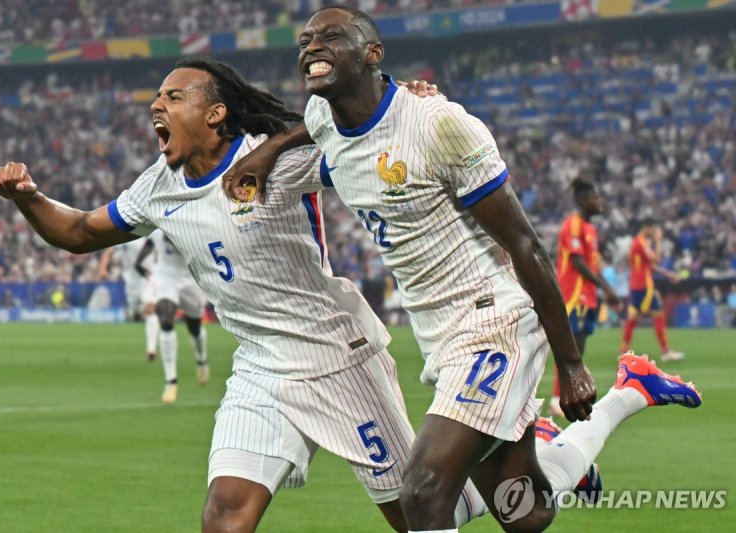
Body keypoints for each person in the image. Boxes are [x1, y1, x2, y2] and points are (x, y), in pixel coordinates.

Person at [222, 6, 702, 531]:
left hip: (493, 320)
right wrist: (269, 150)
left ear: (372, 54)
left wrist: (570, 364)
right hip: (439, 336)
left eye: (331, 37)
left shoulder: (438, 125)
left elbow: (526, 245)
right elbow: (310, 131)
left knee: (424, 491)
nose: (311, 47)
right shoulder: (321, 118)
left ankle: (575, 409)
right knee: (526, 512)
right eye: (305, 40)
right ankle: (630, 393)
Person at [0, 59, 433, 533]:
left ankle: (522, 446)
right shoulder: (159, 185)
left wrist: (403, 108)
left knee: (419, 514)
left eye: (174, 96)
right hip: (259, 367)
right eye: (158, 97)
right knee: (223, 519)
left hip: (335, 358)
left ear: (215, 113)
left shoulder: (270, 159)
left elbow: (358, 145)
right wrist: (28, 199)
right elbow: (79, 232)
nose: (157, 104)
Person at [550, 178, 622, 417]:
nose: (599, 201)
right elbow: (578, 263)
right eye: (594, 197)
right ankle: (558, 397)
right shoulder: (573, 225)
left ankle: (567, 392)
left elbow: (592, 264)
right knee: (570, 348)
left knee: (578, 348)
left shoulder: (590, 229)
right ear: (582, 201)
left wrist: (606, 290)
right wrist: (606, 288)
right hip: (573, 295)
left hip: (587, 297)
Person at [136, 228, 210, 403]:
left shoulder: (193, 229)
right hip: (166, 279)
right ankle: (171, 381)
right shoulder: (158, 229)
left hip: (191, 281)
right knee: (166, 320)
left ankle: (201, 360)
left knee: (195, 328)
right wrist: (140, 265)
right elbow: (147, 247)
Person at [620, 219, 684, 361]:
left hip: (636, 286)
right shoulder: (642, 242)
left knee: (632, 318)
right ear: (647, 228)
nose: (654, 232)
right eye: (653, 229)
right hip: (644, 286)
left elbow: (649, 265)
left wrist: (668, 274)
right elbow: (656, 259)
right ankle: (666, 352)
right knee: (658, 314)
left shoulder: (637, 243)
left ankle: (623, 352)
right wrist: (658, 240)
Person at [99, 238, 160, 362]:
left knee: (151, 309)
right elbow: (108, 253)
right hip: (131, 283)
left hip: (147, 279)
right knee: (135, 315)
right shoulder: (126, 236)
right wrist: (102, 269)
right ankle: (136, 313)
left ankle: (151, 348)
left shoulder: (151, 236)